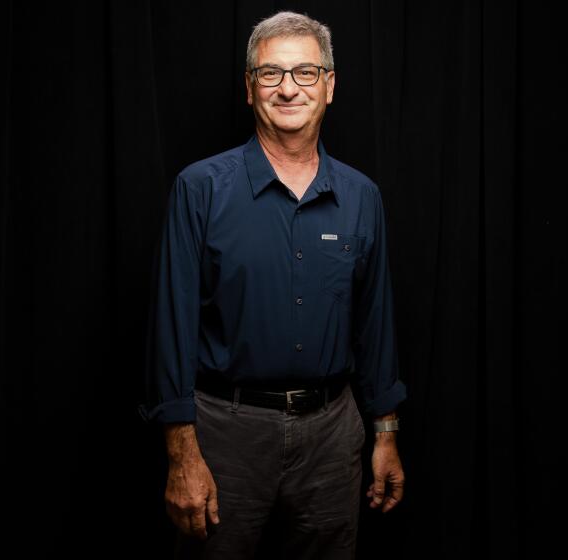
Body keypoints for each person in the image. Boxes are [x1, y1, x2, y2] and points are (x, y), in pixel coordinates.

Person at [138, 10, 407, 559]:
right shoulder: (200, 190)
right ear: (249, 88)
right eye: (270, 74)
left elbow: (376, 325)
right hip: (225, 436)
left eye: (305, 73)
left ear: (329, 86)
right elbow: (170, 328)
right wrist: (181, 455)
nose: (288, 89)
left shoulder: (362, 197)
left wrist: (386, 433)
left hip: (333, 438)